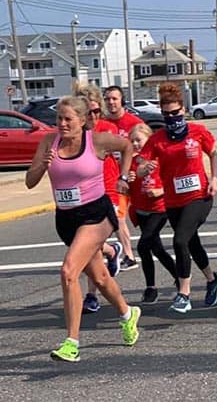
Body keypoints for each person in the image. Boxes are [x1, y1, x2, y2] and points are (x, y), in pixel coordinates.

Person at [25, 96, 140, 362]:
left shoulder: (96, 141)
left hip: (96, 214)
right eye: (58, 119)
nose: (62, 124)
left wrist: (123, 177)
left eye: (68, 119)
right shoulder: (48, 143)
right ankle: (127, 313)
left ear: (82, 120)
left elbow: (125, 146)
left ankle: (71, 342)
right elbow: (30, 182)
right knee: (99, 277)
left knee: (68, 271)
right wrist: (43, 164)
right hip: (66, 220)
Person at [137, 83, 217, 313]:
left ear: (183, 110)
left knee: (179, 241)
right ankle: (212, 279)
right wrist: (144, 168)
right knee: (192, 243)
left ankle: (184, 293)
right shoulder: (157, 139)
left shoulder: (197, 131)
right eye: (166, 115)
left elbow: (213, 154)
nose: (171, 118)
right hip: (174, 201)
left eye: (175, 113)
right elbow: (141, 163)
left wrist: (215, 178)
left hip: (200, 196)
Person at [73, 84, 125, 314]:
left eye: (97, 111)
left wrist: (124, 176)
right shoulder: (73, 135)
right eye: (89, 112)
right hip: (81, 198)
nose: (94, 117)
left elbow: (127, 150)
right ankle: (112, 250)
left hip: (108, 193)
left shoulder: (107, 130)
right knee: (88, 248)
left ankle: (91, 296)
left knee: (89, 247)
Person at [128, 124, 178, 303]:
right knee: (156, 248)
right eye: (132, 140)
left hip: (159, 209)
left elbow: (173, 180)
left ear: (149, 140)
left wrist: (160, 191)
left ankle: (151, 287)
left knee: (143, 245)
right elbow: (125, 188)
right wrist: (126, 181)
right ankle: (178, 276)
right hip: (141, 210)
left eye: (139, 140)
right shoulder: (130, 162)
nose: (135, 144)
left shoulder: (159, 158)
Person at [104, 85, 143, 270]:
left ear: (122, 101)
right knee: (118, 217)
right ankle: (128, 256)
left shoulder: (133, 122)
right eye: (108, 99)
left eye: (114, 98)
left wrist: (138, 166)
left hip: (136, 176)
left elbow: (147, 147)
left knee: (143, 217)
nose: (111, 102)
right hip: (116, 179)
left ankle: (148, 246)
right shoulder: (103, 124)